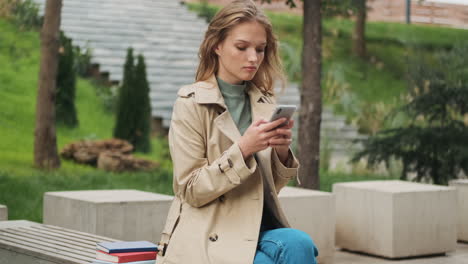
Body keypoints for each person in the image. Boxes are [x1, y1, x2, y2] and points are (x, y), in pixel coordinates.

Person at [156, 1, 318, 263]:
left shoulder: (264, 102)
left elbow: (265, 189)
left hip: (256, 226)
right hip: (210, 231)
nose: (253, 58)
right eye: (242, 47)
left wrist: (280, 151)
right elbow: (191, 190)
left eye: (260, 49)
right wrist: (244, 149)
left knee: (300, 243)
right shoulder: (191, 103)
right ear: (216, 46)